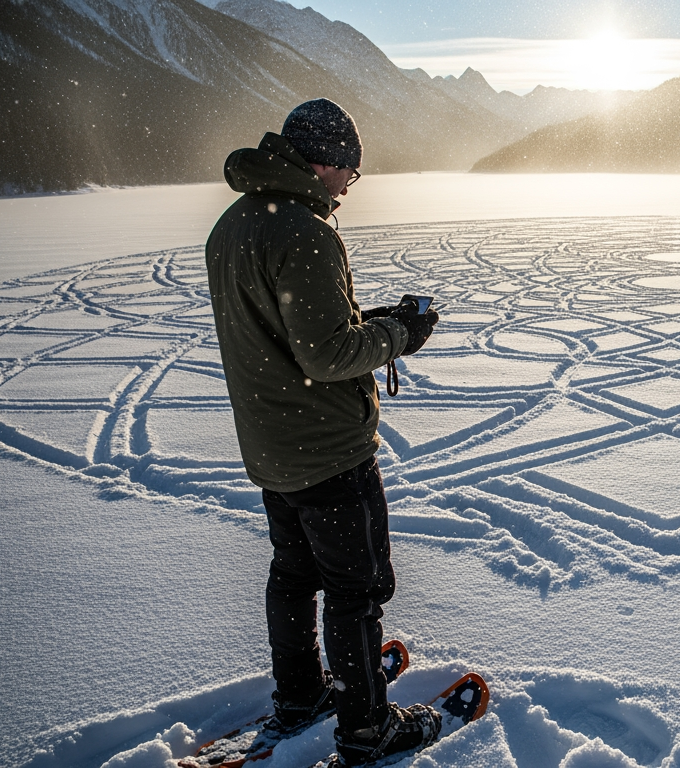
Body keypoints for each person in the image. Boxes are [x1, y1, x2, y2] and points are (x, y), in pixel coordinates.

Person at [205, 98, 442, 767]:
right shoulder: (306, 232)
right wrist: (403, 334)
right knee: (357, 590)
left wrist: (370, 317)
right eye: (349, 173)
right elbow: (327, 356)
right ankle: (368, 729)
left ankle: (301, 693)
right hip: (328, 451)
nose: (347, 188)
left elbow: (286, 329)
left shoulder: (236, 223)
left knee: (292, 576)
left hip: (271, 445)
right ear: (325, 161)